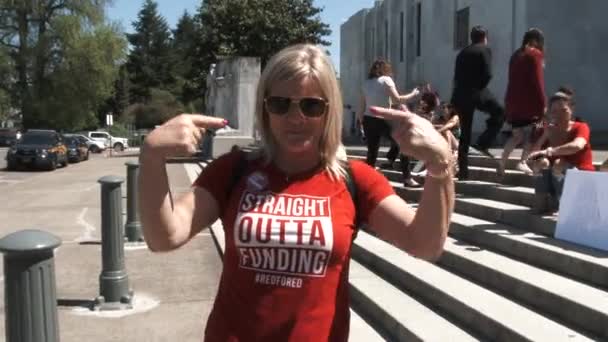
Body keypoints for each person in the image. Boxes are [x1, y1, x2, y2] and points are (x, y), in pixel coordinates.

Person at [138, 44, 454, 341]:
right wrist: (152, 155)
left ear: (329, 110)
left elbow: (424, 244)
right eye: (280, 104)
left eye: (311, 105)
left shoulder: (355, 179)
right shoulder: (232, 170)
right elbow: (164, 236)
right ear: (264, 107)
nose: (295, 117)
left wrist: (440, 162)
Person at [527, 88, 594, 214]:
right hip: (555, 179)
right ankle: (540, 202)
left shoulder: (580, 127)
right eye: (554, 111)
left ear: (571, 109)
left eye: (563, 110)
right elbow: (533, 155)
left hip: (580, 177)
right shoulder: (548, 130)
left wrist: (549, 151)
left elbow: (577, 146)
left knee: (559, 163)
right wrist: (545, 136)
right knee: (541, 163)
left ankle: (564, 206)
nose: (559, 115)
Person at [356, 59, 421, 187]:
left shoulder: (365, 83)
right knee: (403, 144)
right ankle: (407, 178)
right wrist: (413, 93)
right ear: (384, 69)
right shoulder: (386, 80)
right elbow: (397, 100)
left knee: (372, 152)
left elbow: (361, 107)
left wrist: (361, 123)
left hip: (369, 119)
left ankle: (365, 182)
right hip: (384, 117)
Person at [451, 25, 505, 179]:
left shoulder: (462, 53)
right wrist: (480, 89)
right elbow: (488, 74)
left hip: (459, 95)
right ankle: (483, 142)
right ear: (484, 37)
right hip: (476, 91)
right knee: (500, 112)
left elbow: (456, 77)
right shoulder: (484, 49)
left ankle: (463, 172)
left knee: (465, 134)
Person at [499, 28, 546, 176]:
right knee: (535, 131)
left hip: (512, 103)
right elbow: (538, 82)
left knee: (516, 135)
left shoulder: (515, 55)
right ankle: (522, 162)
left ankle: (502, 162)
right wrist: (543, 103)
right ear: (537, 41)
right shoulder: (535, 54)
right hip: (530, 104)